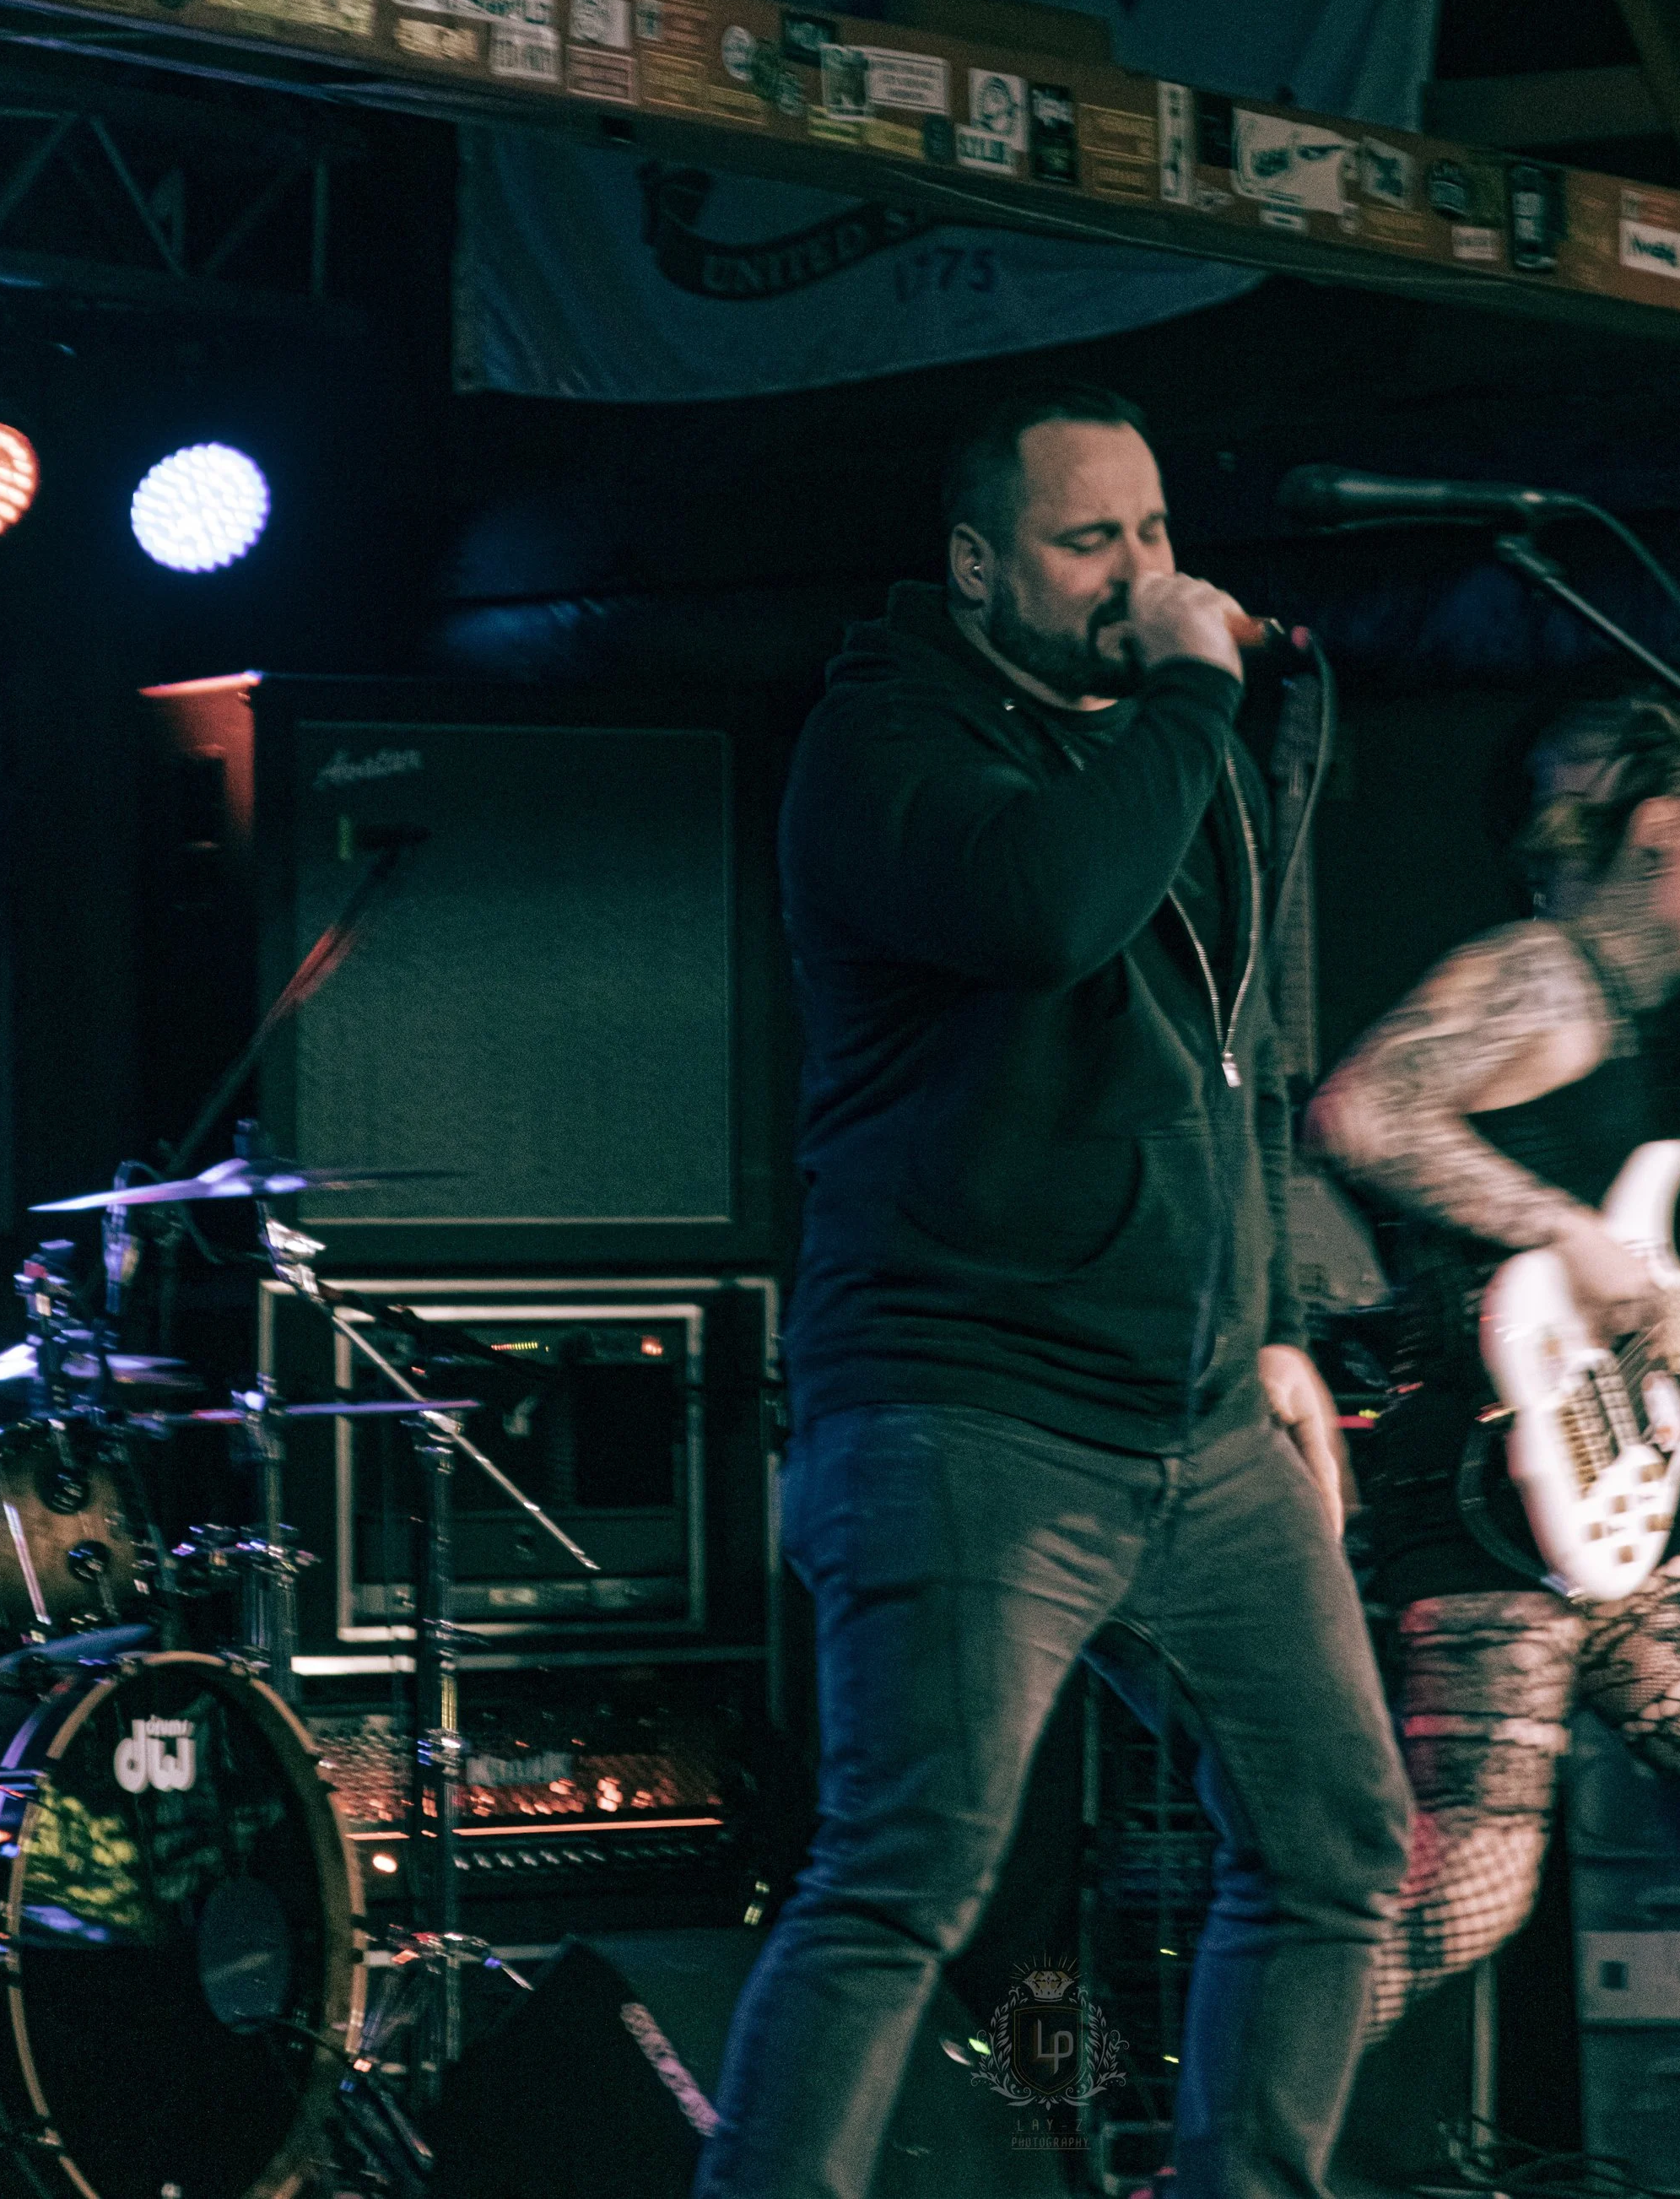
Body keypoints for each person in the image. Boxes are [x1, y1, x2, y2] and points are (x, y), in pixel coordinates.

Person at [699, 384, 1413, 2199]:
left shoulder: (1162, 755)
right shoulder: (881, 742)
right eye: (1089, 541)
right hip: (962, 1412)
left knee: (1339, 1843)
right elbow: (1043, 913)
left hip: (1188, 1425)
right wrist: (1186, 691)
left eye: (1157, 533)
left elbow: (1223, 1055)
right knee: (904, 1877)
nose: (1141, 574)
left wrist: (1269, 1325)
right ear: (974, 566)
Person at [1308, 633, 1680, 2197]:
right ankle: (1227, 2116)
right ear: (1661, 832)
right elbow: (1360, 1109)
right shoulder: (1533, 973)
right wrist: (1559, 1227)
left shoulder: (1643, 1026)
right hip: (1480, 1498)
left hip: (1616, 1496)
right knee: (1469, 1895)